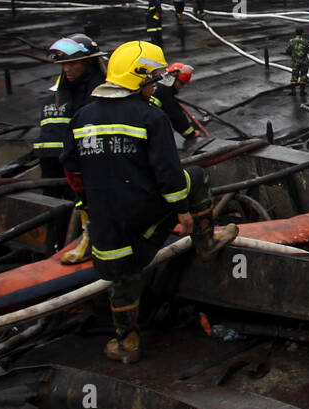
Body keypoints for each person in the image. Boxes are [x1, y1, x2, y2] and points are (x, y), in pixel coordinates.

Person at [61, 40, 237, 364]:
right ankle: (206, 242)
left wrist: (86, 204)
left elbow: (72, 169)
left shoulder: (82, 116)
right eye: (153, 79)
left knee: (122, 276)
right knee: (195, 176)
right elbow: (169, 175)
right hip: (144, 218)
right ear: (139, 78)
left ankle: (127, 341)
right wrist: (183, 212)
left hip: (107, 229)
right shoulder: (150, 116)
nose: (156, 85)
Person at [32, 36, 107, 262]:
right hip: (60, 159)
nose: (67, 70)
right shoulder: (67, 88)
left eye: (72, 64)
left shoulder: (97, 88)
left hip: (91, 158)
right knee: (57, 199)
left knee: (86, 198)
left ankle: (89, 237)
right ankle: (57, 243)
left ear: (88, 62)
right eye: (64, 65)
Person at [153, 61, 199, 147]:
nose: (181, 87)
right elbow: (176, 117)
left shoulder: (156, 83)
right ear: (174, 79)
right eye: (181, 83)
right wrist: (191, 134)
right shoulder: (165, 92)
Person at [285, 27, 309, 99]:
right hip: (304, 61)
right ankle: (302, 91)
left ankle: (293, 91)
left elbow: (287, 50)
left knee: (294, 75)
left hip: (295, 61)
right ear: (302, 33)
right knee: (303, 75)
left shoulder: (291, 41)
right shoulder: (306, 41)